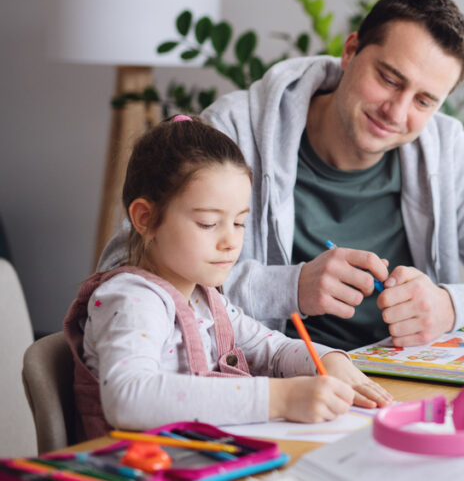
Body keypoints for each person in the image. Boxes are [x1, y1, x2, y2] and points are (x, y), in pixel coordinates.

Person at [99, 0, 464, 350]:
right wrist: (289, 287)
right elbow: (124, 266)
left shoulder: (445, 151)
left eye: (423, 100)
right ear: (351, 50)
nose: (396, 112)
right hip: (271, 387)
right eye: (388, 78)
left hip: (398, 382)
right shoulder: (234, 131)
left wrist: (451, 306)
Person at [66, 116, 392, 438]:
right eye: (208, 223)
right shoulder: (131, 300)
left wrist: (328, 360)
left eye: (238, 223)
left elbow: (273, 350)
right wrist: (280, 398)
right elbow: (128, 398)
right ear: (145, 218)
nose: (231, 241)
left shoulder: (206, 299)